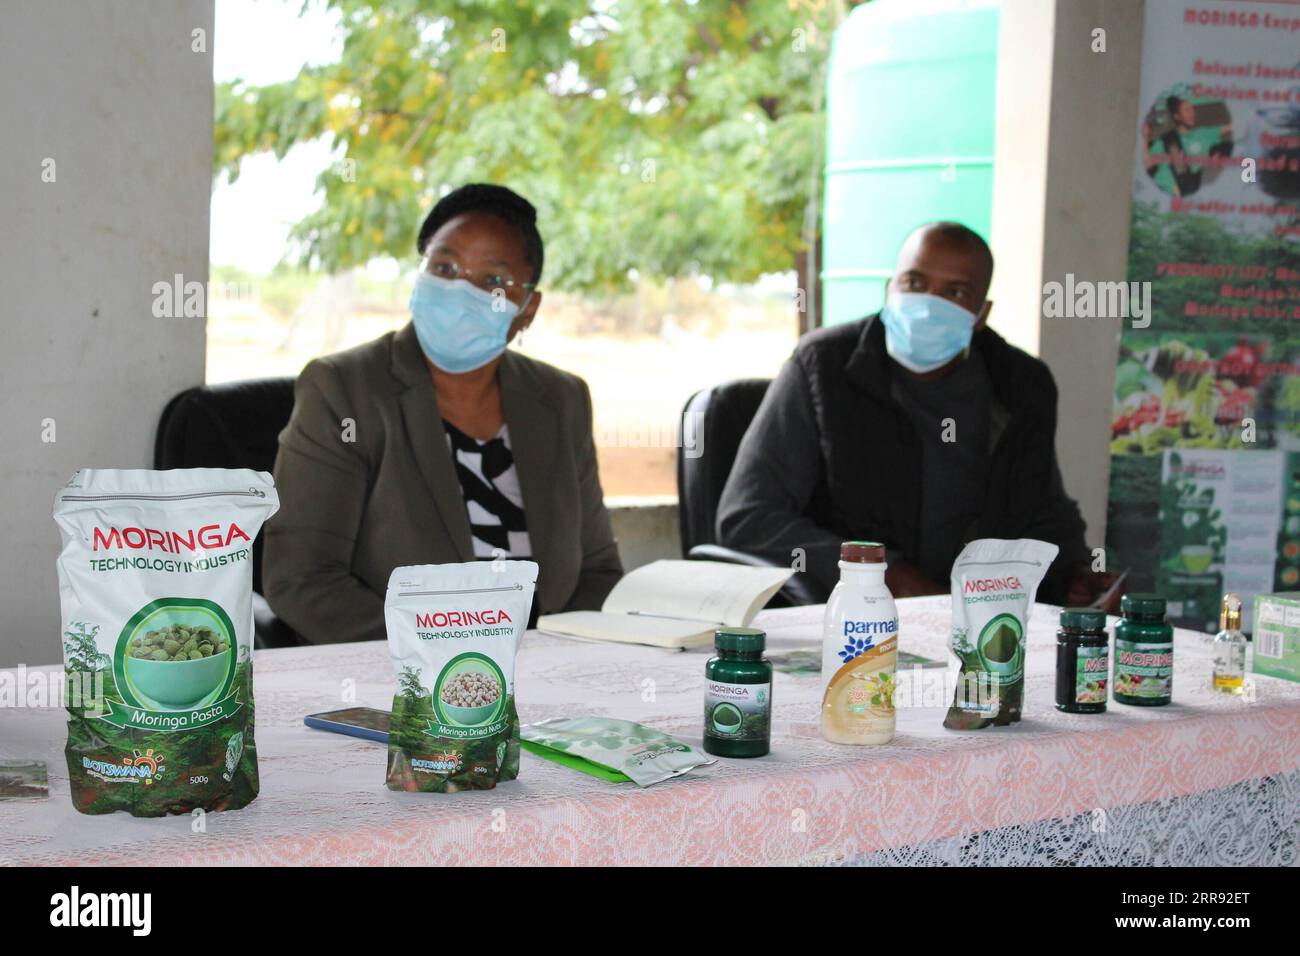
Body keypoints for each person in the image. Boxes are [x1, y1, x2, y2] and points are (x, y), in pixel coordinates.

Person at [264, 184, 623, 643]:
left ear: (527, 309)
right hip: (402, 676)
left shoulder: (560, 399)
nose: (460, 290)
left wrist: (557, 658)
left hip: (544, 673)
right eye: (445, 267)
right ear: (420, 273)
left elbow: (597, 571)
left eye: (492, 280)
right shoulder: (344, 390)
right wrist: (442, 653)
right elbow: (302, 578)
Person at [716, 221, 1114, 607]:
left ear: (981, 314)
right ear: (890, 289)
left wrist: (1074, 574)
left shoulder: (1021, 383)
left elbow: (1042, 508)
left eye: (955, 292)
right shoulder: (823, 366)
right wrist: (884, 572)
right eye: (916, 283)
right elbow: (748, 517)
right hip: (849, 617)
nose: (928, 305)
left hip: (979, 621)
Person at [1143, 95, 1232, 198]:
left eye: (1192, 109)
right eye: (1187, 110)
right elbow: (1148, 164)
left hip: (1187, 193)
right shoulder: (1166, 139)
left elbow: (1229, 127)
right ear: (1177, 116)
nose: (1192, 113)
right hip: (1161, 192)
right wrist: (1145, 138)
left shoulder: (1204, 134)